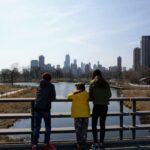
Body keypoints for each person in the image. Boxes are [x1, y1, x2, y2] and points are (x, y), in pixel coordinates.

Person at [32, 72, 57, 150]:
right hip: (45, 109)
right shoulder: (51, 86)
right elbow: (53, 97)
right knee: (47, 127)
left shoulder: (39, 85)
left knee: (36, 127)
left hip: (36, 108)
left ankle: (34, 145)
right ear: (49, 79)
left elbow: (37, 96)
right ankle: (46, 144)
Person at [89, 69, 111, 149]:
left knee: (94, 125)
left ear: (94, 75)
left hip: (96, 106)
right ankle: (101, 142)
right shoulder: (106, 83)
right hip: (104, 107)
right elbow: (109, 95)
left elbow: (90, 96)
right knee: (102, 125)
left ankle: (95, 143)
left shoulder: (92, 83)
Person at [67, 82, 90, 150]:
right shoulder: (86, 94)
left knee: (78, 130)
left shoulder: (74, 94)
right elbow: (90, 97)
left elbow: (68, 96)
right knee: (84, 130)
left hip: (77, 115)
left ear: (77, 88)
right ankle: (84, 143)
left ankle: (79, 144)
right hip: (85, 114)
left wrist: (74, 92)